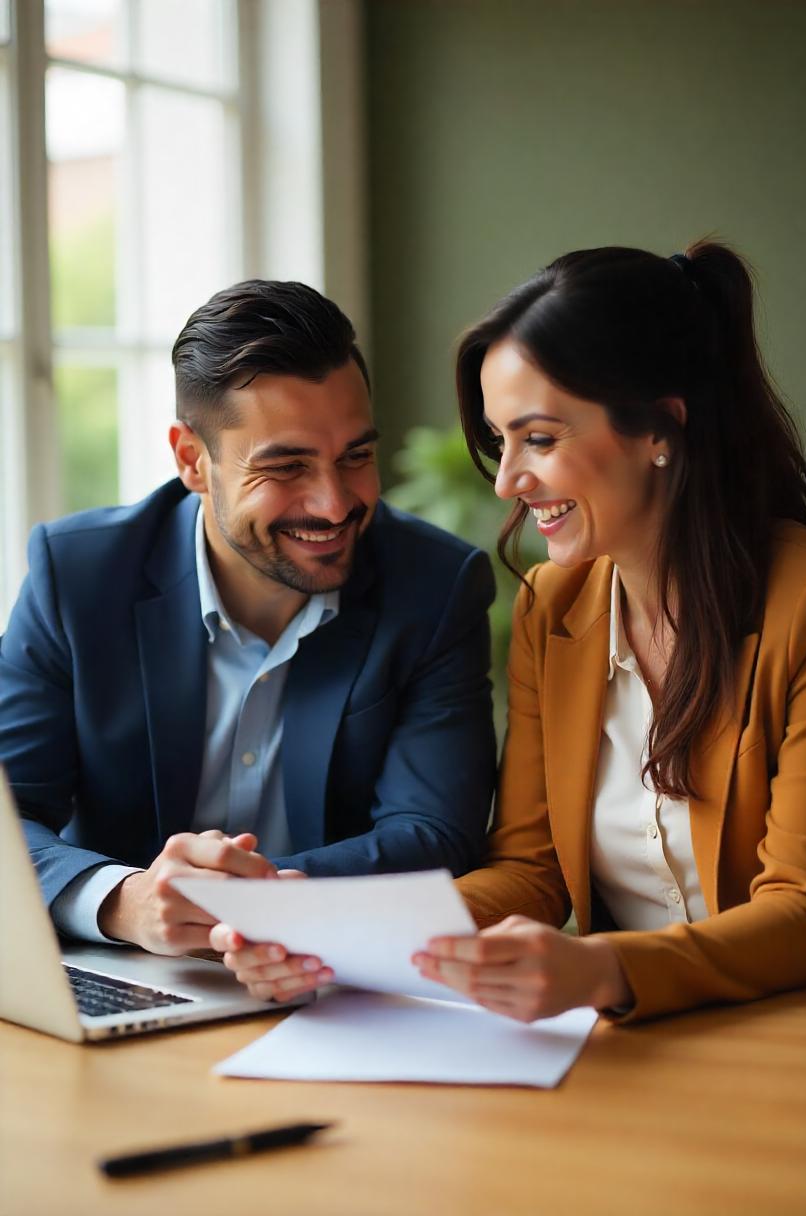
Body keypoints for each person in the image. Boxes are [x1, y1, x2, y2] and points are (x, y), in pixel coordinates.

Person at [0, 280, 496, 977]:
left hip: (330, 979)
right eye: (286, 466)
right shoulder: (77, 577)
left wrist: (240, 911)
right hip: (125, 975)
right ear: (190, 462)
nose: (334, 503)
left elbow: (434, 834)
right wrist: (128, 900)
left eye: (356, 456)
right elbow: (8, 813)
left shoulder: (436, 587)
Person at [405, 240, 806, 1023]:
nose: (507, 481)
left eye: (539, 438)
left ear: (659, 429)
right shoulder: (552, 605)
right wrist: (353, 936)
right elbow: (531, 872)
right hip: (629, 1047)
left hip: (787, 1040)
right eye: (501, 442)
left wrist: (603, 969)